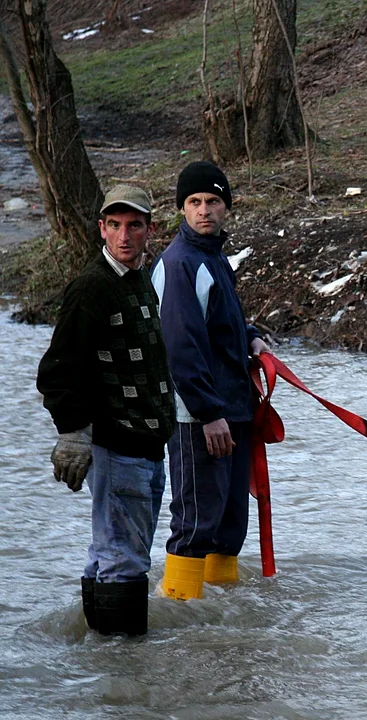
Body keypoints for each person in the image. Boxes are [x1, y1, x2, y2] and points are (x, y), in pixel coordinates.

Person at [36, 185, 176, 636]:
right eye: (114, 225)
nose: (124, 235)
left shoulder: (140, 280)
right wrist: (73, 433)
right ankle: (127, 676)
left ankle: (99, 668)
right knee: (124, 561)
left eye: (134, 225)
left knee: (109, 554)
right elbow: (58, 370)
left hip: (147, 446)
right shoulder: (90, 288)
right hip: (117, 448)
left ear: (150, 230)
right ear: (101, 228)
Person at [152, 161, 269, 601]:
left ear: (227, 208)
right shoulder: (179, 263)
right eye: (195, 202)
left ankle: (223, 624)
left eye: (214, 201)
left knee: (228, 525)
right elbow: (180, 347)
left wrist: (252, 338)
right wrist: (208, 413)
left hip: (232, 409)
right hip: (197, 417)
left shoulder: (213, 257)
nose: (205, 210)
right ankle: (181, 614)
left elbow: (221, 324)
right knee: (197, 522)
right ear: (182, 208)